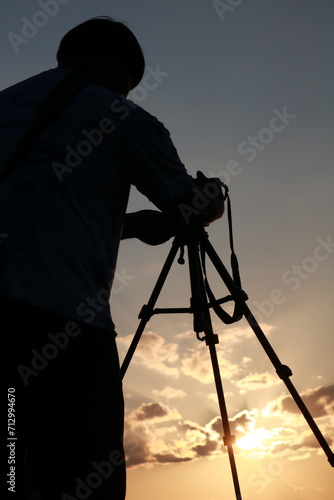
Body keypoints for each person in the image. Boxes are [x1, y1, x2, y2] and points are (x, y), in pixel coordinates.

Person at [1, 17, 224, 500]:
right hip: (63, 329)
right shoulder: (122, 117)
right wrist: (212, 198)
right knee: (84, 479)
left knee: (14, 475)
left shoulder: (7, 104)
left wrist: (125, 226)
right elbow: (187, 208)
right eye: (130, 84)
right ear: (119, 68)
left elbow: (32, 206)